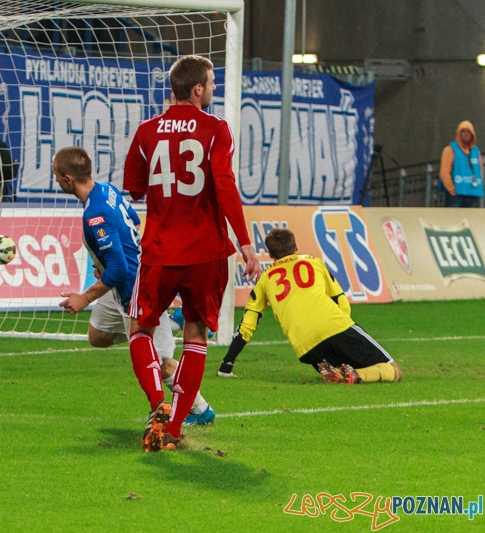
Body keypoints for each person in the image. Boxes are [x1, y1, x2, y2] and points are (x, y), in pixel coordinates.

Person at [123, 55, 261, 452]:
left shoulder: (147, 131)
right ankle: (177, 428)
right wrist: (246, 244)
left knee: (140, 330)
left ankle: (156, 402)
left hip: (160, 250)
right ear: (197, 88)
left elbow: (133, 187)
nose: (214, 89)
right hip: (207, 251)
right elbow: (224, 183)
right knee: (196, 335)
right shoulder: (216, 129)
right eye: (212, 83)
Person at [53, 147, 215, 427]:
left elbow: (119, 268)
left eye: (56, 176)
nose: (55, 181)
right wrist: (107, 259)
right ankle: (170, 322)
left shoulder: (95, 213)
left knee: (162, 361)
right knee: (97, 336)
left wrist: (84, 298)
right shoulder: (107, 190)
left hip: (136, 288)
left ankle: (200, 410)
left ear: (68, 178)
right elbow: (134, 221)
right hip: (118, 287)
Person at [218, 228, 402, 385]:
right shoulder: (315, 263)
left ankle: (340, 372)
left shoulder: (264, 280)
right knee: (393, 370)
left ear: (271, 255)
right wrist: (342, 329)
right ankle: (359, 375)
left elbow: (247, 325)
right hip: (336, 327)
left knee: (339, 367)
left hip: (305, 346)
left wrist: (227, 364)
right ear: (296, 247)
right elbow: (341, 302)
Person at [439, 120, 484, 208]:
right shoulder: (450, 149)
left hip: (472, 193)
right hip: (456, 195)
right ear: (458, 133)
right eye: (463, 131)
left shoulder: (476, 151)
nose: (466, 134)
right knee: (453, 220)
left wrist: (479, 189)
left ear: (472, 134)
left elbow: (480, 171)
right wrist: (452, 190)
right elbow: (444, 172)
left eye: (468, 131)